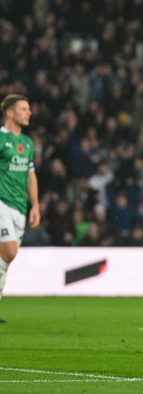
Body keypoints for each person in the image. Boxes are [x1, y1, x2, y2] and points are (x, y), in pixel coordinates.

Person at [0, 94, 41, 323]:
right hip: (2, 202)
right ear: (10, 112)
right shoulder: (0, 138)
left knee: (5, 259)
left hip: (19, 206)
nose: (29, 112)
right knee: (10, 251)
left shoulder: (27, 143)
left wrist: (34, 205)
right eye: (24, 109)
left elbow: (30, 175)